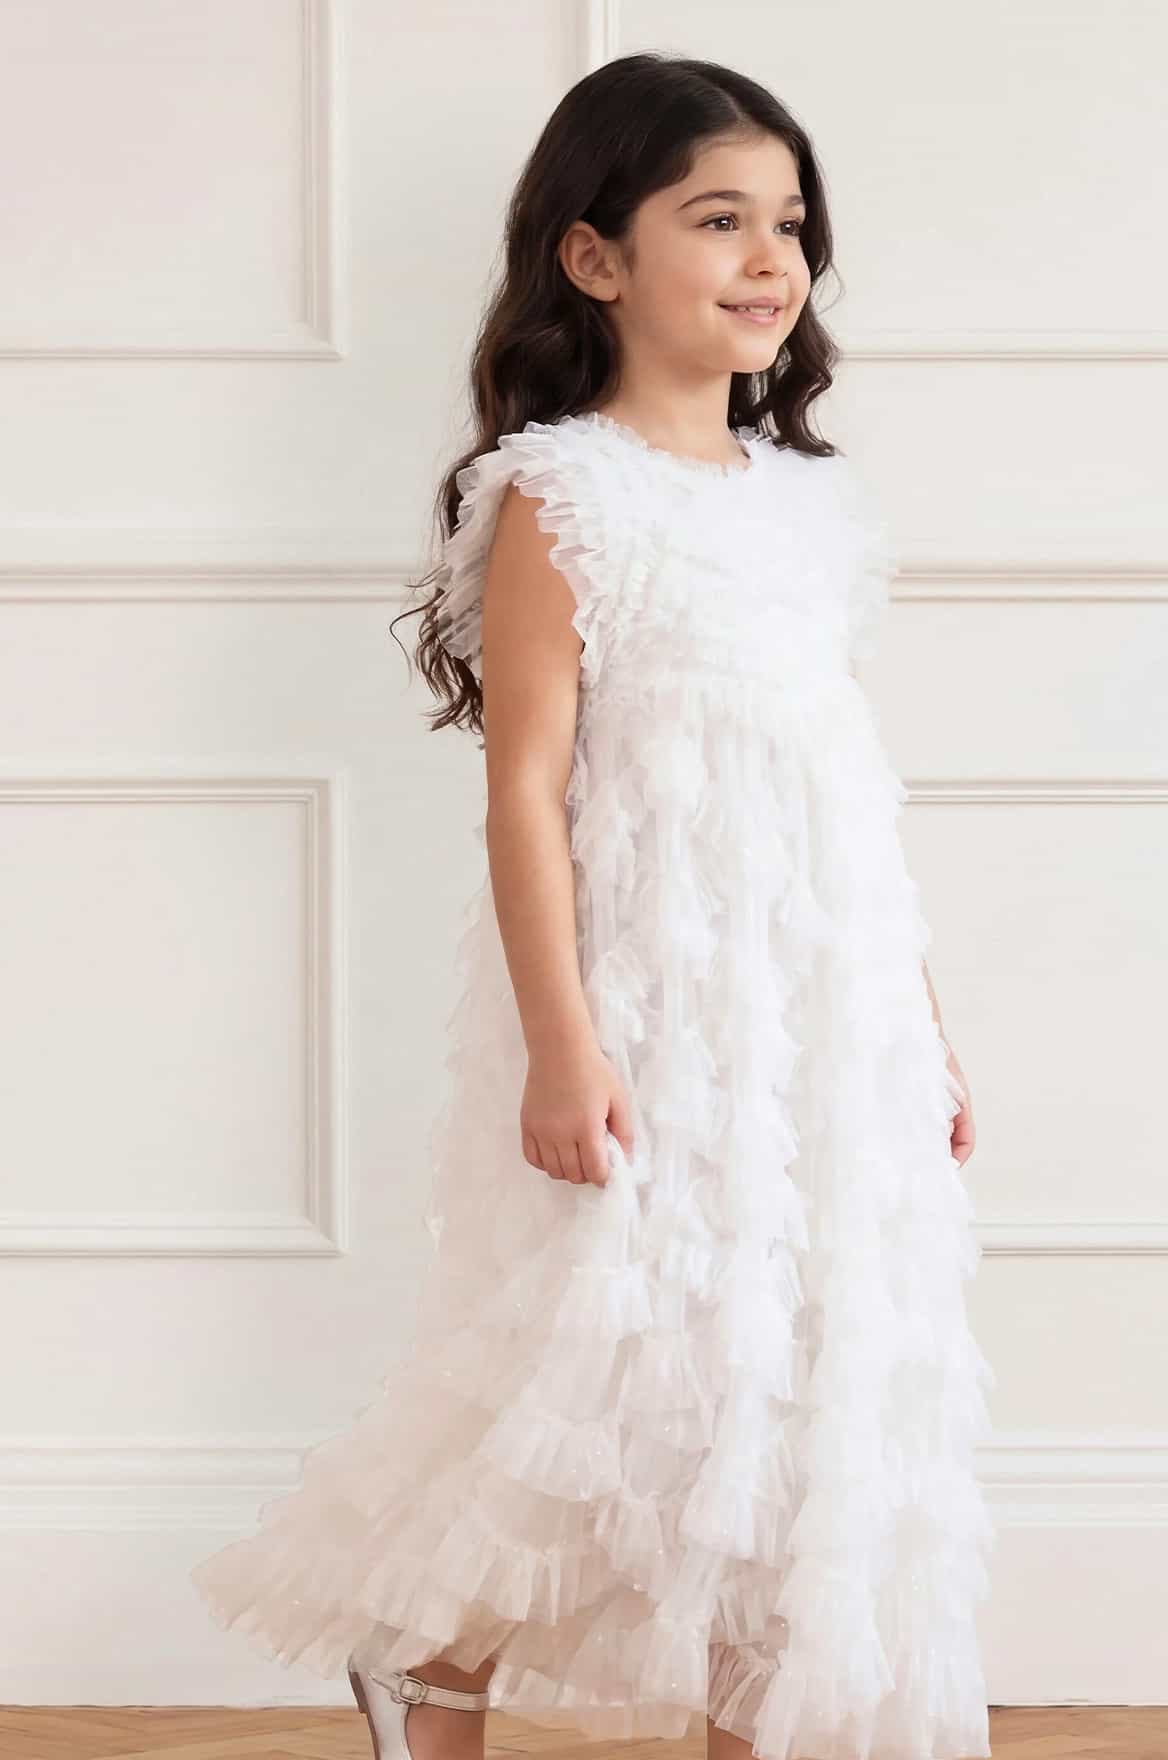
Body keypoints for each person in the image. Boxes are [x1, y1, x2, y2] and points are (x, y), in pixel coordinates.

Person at [190, 50, 996, 1760]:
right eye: (719, 219)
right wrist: (565, 1048)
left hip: (820, 1020)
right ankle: (429, 1658)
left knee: (796, 1387)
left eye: (790, 223)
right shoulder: (565, 496)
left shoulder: (817, 506)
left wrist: (919, 1027)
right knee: (616, 1357)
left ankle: (751, 1721)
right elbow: (525, 792)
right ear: (595, 257)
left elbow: (843, 787)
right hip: (647, 1002)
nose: (771, 258)